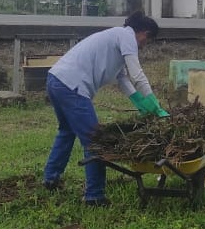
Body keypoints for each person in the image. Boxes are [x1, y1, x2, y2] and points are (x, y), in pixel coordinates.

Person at [42, 11, 167, 207]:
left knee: (66, 131)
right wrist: (155, 103)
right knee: (95, 140)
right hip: (72, 87)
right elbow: (137, 74)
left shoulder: (115, 38)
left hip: (56, 80)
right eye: (147, 40)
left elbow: (123, 78)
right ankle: (94, 195)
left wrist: (139, 102)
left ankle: (51, 178)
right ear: (144, 32)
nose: (144, 45)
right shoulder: (127, 36)